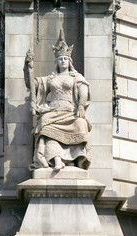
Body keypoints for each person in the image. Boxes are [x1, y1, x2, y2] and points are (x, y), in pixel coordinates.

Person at [24, 29, 92, 171]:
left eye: (65, 58)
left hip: (70, 111)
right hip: (53, 110)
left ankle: (76, 161)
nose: (63, 61)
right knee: (44, 124)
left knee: (80, 123)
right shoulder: (50, 78)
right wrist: (28, 69)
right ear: (56, 61)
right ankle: (57, 160)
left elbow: (83, 91)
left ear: (69, 61)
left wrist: (80, 106)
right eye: (60, 59)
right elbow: (32, 84)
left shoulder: (76, 77)